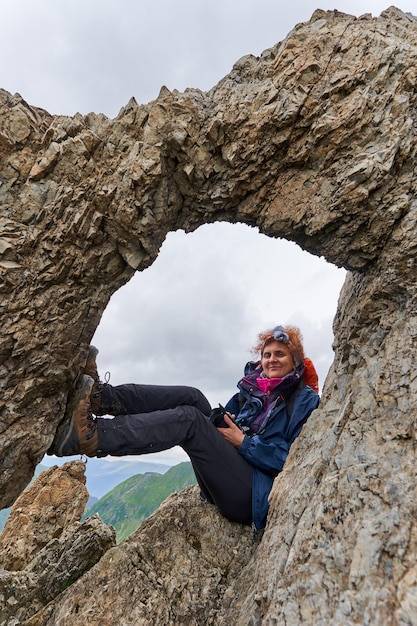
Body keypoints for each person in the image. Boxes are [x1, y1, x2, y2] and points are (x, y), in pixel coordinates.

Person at [48, 325, 320, 536]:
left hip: (250, 496)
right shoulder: (252, 389)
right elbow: (226, 422)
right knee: (193, 396)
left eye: (280, 354)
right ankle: (101, 398)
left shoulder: (304, 399)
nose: (272, 360)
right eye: (267, 354)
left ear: (295, 360)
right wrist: (229, 422)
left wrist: (244, 442)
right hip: (233, 473)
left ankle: (91, 437)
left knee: (190, 420)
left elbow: (293, 463)